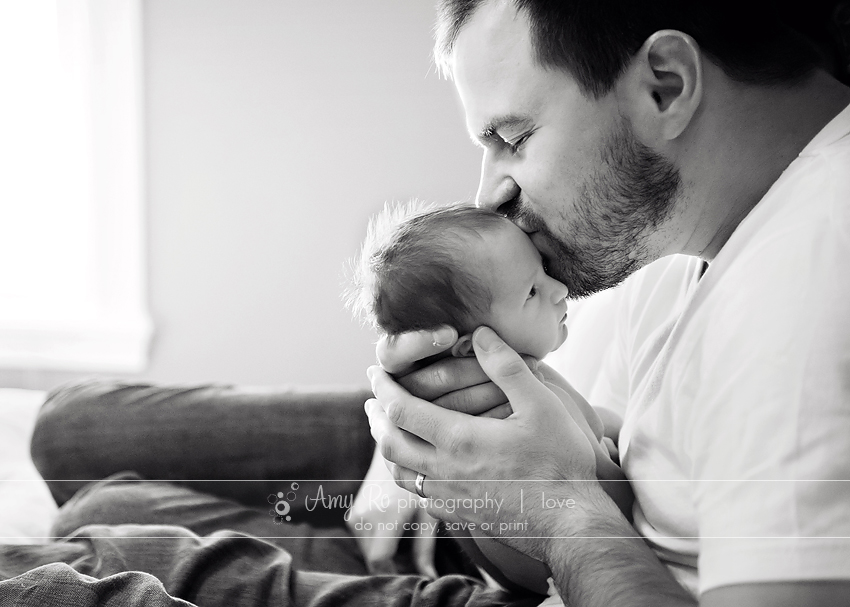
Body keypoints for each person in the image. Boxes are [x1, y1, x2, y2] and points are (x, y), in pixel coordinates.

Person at [365, 1, 850, 606]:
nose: (488, 194)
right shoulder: (685, 240)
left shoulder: (810, 273)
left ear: (665, 88)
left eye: (513, 138)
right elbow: (582, 533)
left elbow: (577, 520)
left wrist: (564, 513)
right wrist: (461, 450)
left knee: (210, 557)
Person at [346, 201, 632, 595]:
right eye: (532, 291)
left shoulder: (483, 409)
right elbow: (623, 507)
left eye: (544, 273)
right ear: (469, 348)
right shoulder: (536, 406)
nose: (560, 289)